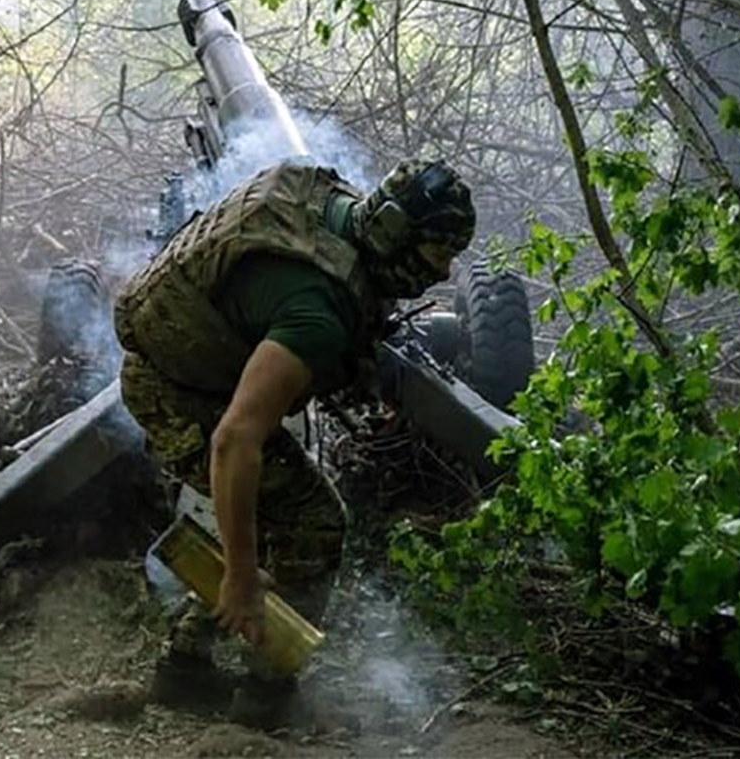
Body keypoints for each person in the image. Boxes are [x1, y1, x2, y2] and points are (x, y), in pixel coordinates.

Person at [114, 157, 475, 727]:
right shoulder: (317, 315)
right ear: (394, 235)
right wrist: (238, 573)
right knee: (312, 520)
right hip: (179, 396)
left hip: (199, 366)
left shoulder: (325, 196)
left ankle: (186, 667)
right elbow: (234, 440)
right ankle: (266, 693)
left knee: (263, 511)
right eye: (437, 254)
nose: (445, 271)